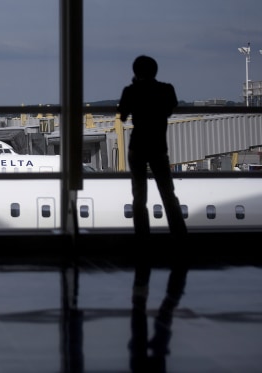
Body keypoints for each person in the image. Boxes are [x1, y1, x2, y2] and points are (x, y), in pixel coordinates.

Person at [117, 55, 189, 363]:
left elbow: (121, 116)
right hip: (159, 147)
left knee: (139, 197)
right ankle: (180, 240)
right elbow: (169, 109)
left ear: (136, 72)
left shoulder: (130, 91)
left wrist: (133, 91)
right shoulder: (167, 90)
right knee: (168, 195)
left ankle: (142, 243)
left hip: (137, 148)